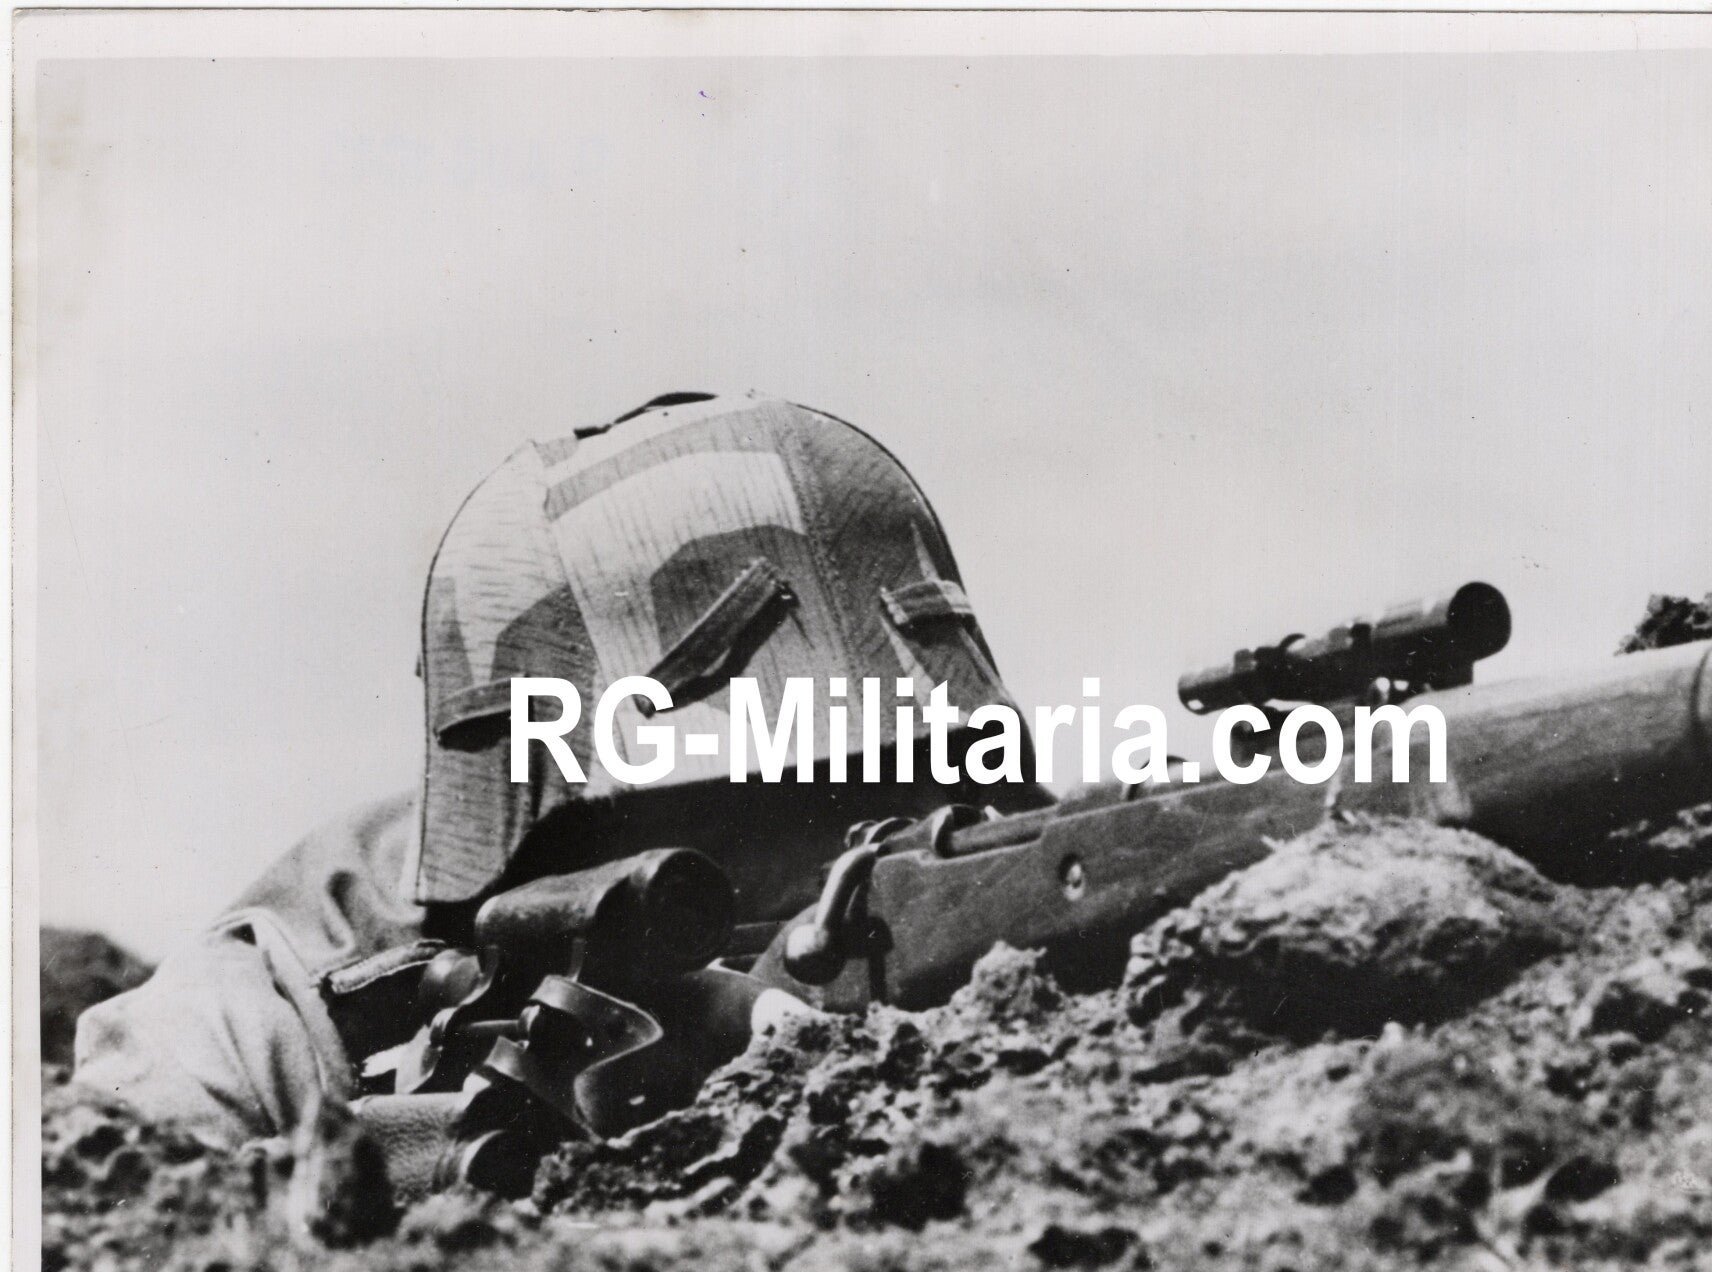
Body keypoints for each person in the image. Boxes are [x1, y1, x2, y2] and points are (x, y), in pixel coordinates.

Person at [73, 391, 1047, 1150]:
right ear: (548, 836)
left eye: (887, 780)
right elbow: (123, 1233)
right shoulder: (254, 1025)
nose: (842, 863)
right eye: (737, 824)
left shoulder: (1016, 873)